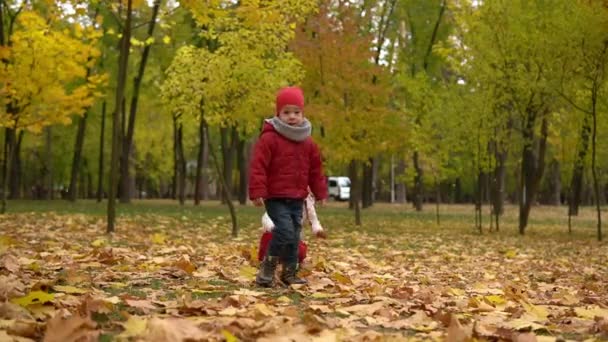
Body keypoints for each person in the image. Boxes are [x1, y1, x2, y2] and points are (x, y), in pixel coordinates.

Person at [249, 86, 328, 287]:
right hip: (275, 197)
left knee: (294, 235)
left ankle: (290, 272)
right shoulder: (269, 138)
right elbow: (259, 166)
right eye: (286, 112)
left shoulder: (308, 143)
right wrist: (257, 191)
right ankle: (267, 269)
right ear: (278, 114)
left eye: (296, 112)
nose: (292, 117)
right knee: (283, 230)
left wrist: (320, 192)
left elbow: (315, 171)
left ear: (302, 114)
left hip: (297, 197)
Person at [257, 191, 326, 266]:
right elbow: (268, 217)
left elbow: (313, 220)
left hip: (294, 234)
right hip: (276, 232)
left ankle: (289, 262)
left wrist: (318, 230)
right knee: (269, 243)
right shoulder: (280, 200)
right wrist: (274, 227)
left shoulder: (307, 205)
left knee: (299, 251)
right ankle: (268, 261)